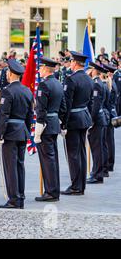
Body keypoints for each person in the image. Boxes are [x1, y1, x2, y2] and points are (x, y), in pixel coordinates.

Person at [0, 59, 33, 209]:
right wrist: (27, 133)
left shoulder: (8, 91)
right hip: (22, 132)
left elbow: (3, 115)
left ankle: (14, 199)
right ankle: (20, 196)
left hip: (10, 133)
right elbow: (30, 115)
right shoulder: (27, 91)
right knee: (19, 165)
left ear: (10, 74)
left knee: (10, 167)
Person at [60, 51, 94, 195]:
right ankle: (81, 185)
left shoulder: (71, 79)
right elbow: (91, 102)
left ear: (74, 63)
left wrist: (63, 123)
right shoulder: (88, 79)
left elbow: (67, 104)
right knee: (81, 152)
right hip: (84, 118)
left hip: (73, 119)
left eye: (71, 61)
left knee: (73, 153)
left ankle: (75, 186)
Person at [34, 57, 67, 202]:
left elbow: (41, 110)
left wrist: (38, 131)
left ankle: (51, 192)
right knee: (53, 159)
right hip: (54, 124)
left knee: (47, 160)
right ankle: (54, 190)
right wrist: (60, 123)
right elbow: (63, 108)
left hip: (46, 125)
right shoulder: (58, 84)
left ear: (46, 68)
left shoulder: (44, 85)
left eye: (40, 68)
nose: (39, 70)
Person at [102, 63, 118, 172]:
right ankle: (109, 162)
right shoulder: (111, 83)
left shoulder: (110, 84)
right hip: (110, 113)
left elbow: (108, 102)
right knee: (109, 139)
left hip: (108, 113)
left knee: (108, 140)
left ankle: (109, 163)